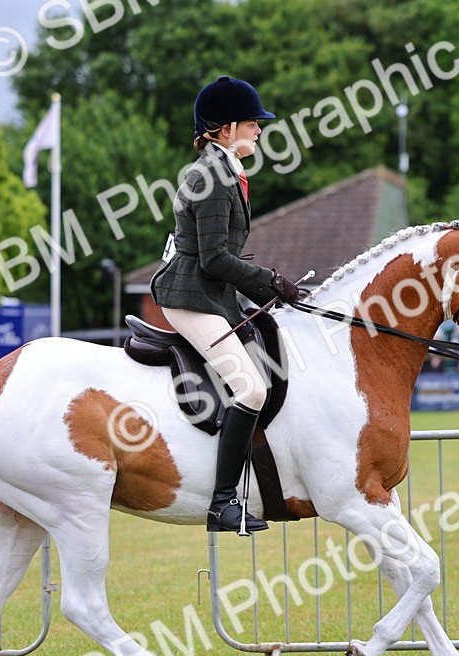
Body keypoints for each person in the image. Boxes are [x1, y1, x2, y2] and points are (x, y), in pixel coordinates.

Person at [150, 76, 303, 534]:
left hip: (211, 293)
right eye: (253, 123)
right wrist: (269, 280)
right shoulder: (211, 176)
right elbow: (216, 259)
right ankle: (221, 503)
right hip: (190, 296)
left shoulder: (225, 171)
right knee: (252, 389)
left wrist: (268, 294)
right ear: (225, 128)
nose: (259, 130)